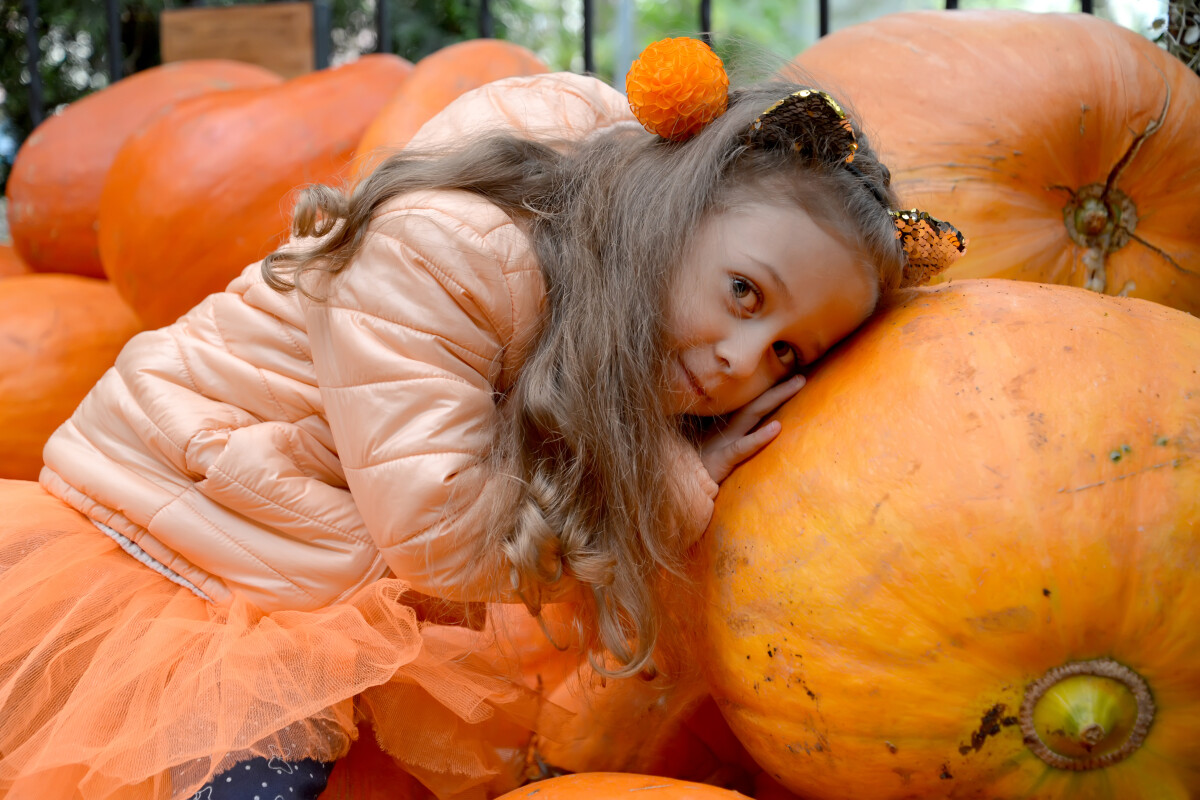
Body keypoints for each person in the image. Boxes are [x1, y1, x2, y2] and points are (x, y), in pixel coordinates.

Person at [0, 37, 962, 800]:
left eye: (790, 354)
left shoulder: (606, 298)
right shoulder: (450, 251)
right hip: (187, 526)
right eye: (748, 294)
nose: (741, 365)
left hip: (302, 540)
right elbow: (442, 538)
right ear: (670, 210)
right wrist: (668, 484)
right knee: (252, 766)